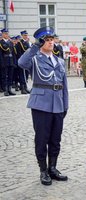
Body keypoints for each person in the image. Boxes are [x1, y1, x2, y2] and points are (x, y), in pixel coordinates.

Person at [18, 27, 69, 186]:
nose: (51, 42)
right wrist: (34, 46)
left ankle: (53, 168)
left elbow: (64, 85)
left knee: (56, 139)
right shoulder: (34, 58)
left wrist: (65, 105)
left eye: (52, 39)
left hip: (58, 104)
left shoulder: (59, 61)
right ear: (41, 42)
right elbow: (21, 63)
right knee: (42, 139)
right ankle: (43, 170)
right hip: (41, 104)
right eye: (47, 40)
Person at [0, 28, 16, 96]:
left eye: (7, 33)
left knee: (10, 76)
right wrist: (1, 63)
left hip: (10, 62)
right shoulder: (1, 43)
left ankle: (9, 89)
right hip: (4, 62)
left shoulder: (10, 42)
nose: (7, 35)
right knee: (4, 76)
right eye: (5, 33)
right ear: (2, 34)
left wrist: (14, 62)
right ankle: (5, 90)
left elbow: (13, 53)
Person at [15, 30, 31, 94]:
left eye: (26, 35)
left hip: (27, 62)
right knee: (22, 75)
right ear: (22, 36)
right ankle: (22, 88)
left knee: (26, 75)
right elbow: (18, 54)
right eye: (24, 35)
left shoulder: (27, 43)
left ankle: (25, 87)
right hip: (22, 62)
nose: (26, 36)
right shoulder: (20, 43)